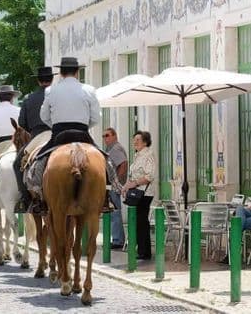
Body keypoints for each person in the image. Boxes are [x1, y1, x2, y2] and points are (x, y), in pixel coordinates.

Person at [28, 57, 121, 214]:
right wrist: (85, 126)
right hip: (82, 133)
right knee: (106, 160)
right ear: (77, 72)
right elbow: (96, 118)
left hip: (59, 134)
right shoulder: (89, 90)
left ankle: (37, 196)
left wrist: (55, 126)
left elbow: (44, 116)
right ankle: (106, 196)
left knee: (39, 160)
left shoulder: (51, 90)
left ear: (61, 73)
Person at [13, 66, 55, 213]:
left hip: (37, 136)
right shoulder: (57, 95)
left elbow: (22, 123)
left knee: (17, 164)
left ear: (38, 81)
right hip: (58, 134)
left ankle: (26, 200)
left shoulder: (29, 98)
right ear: (52, 79)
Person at [121, 131, 156, 260]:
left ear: (145, 142)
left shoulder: (148, 154)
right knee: (139, 221)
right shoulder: (137, 155)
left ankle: (144, 252)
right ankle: (141, 249)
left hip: (145, 193)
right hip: (136, 192)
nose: (134, 142)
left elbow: (149, 176)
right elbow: (133, 175)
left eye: (138, 140)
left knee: (142, 221)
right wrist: (127, 186)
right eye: (134, 139)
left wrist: (134, 183)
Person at [103, 127, 128, 250]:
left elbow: (123, 164)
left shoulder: (116, 148)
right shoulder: (110, 148)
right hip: (111, 185)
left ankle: (118, 240)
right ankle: (118, 238)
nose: (105, 138)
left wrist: (116, 181)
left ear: (114, 136)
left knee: (115, 212)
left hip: (114, 186)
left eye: (107, 135)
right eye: (103, 136)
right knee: (113, 212)